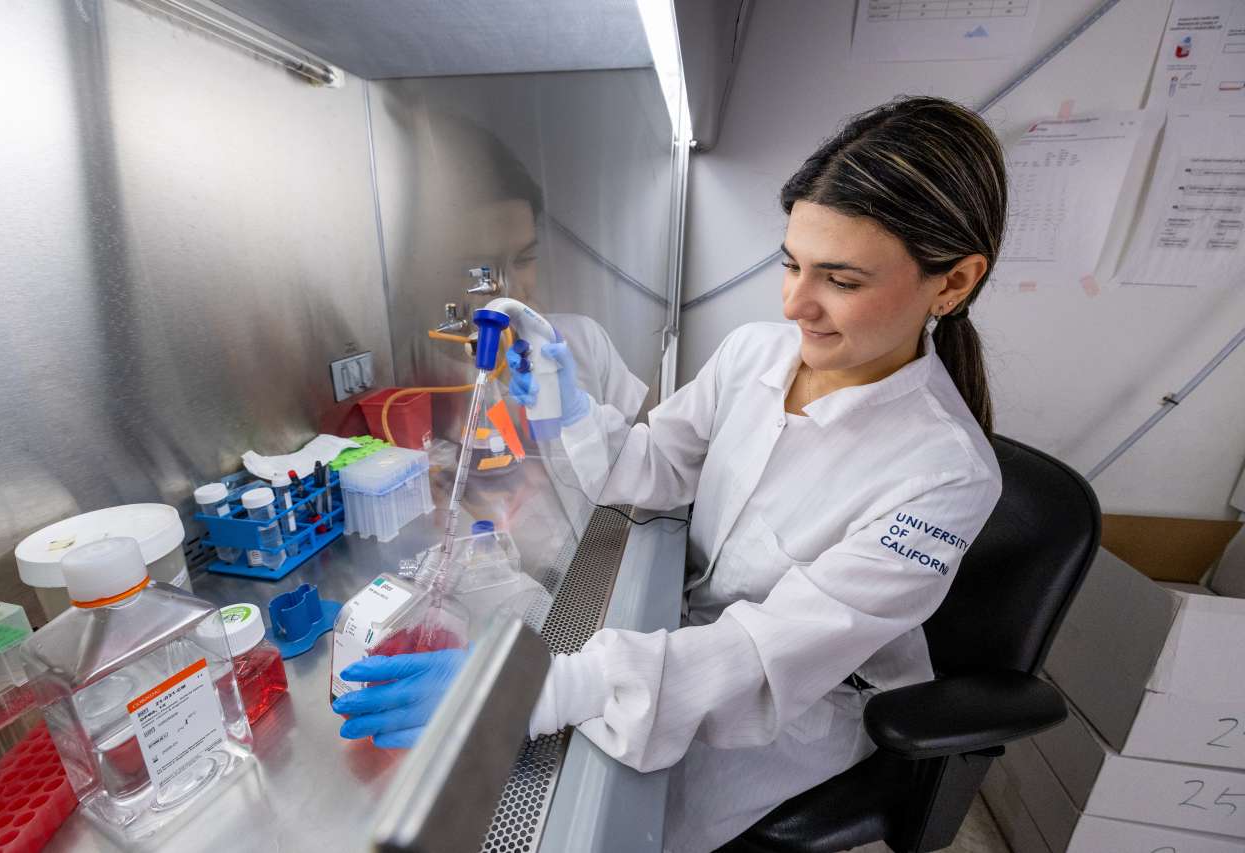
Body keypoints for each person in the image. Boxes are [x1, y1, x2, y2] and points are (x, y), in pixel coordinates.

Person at [333, 96, 1006, 853]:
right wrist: (569, 409)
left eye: (840, 280)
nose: (794, 304)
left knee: (611, 827)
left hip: (798, 700)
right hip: (691, 635)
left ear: (952, 283)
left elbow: (767, 651)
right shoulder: (757, 354)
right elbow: (652, 467)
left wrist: (528, 689)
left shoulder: (945, 472)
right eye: (790, 264)